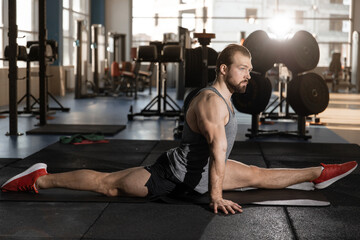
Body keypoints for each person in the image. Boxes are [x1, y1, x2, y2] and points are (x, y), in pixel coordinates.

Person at [1, 44, 357, 215]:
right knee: (109, 186)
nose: (249, 74)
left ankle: (319, 173)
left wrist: (213, 187)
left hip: (201, 172)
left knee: (258, 175)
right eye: (242, 68)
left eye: (249, 68)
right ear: (222, 69)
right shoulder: (212, 103)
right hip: (172, 175)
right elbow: (218, 151)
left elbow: (218, 157)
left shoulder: (227, 95)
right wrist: (215, 197)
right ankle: (39, 178)